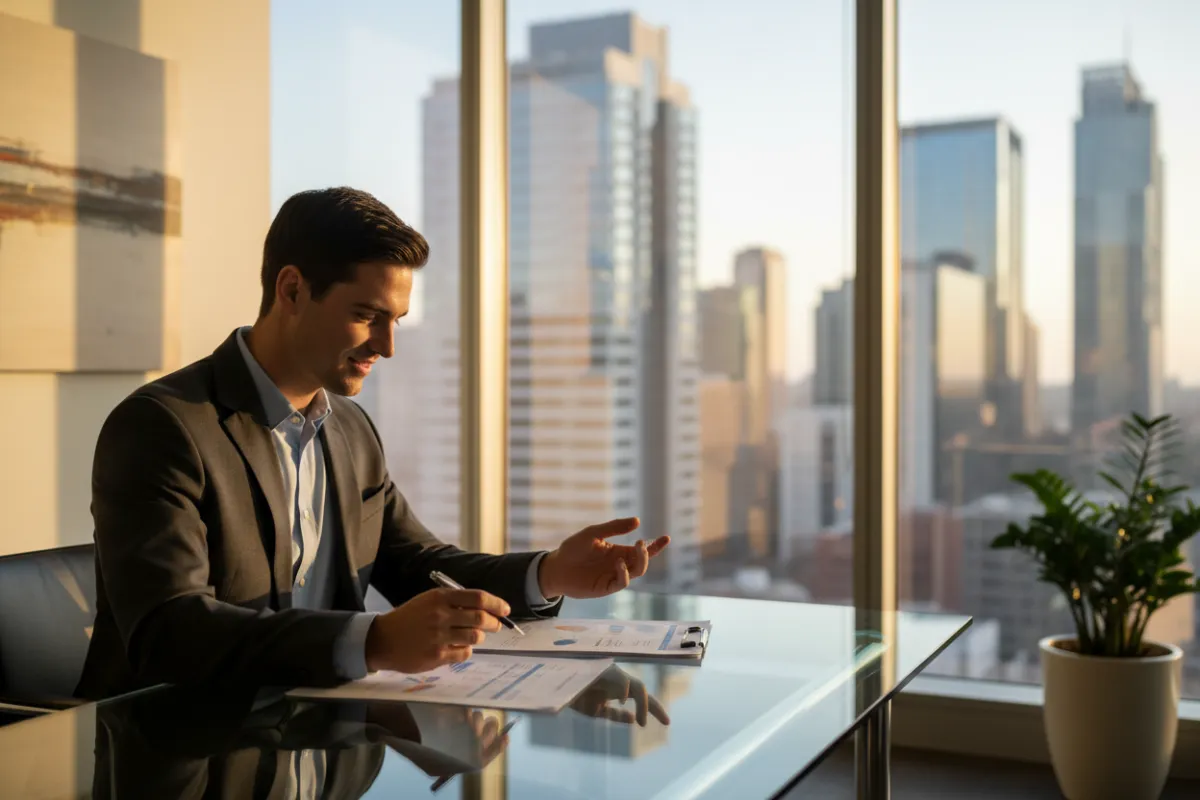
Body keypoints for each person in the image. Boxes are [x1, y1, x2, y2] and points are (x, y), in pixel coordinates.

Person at [76, 187, 669, 700]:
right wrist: (375, 640)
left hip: (312, 738)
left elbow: (418, 566)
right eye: (367, 316)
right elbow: (168, 633)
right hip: (175, 749)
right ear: (291, 290)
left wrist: (549, 575)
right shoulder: (163, 426)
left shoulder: (350, 430)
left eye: (397, 321)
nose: (386, 346)